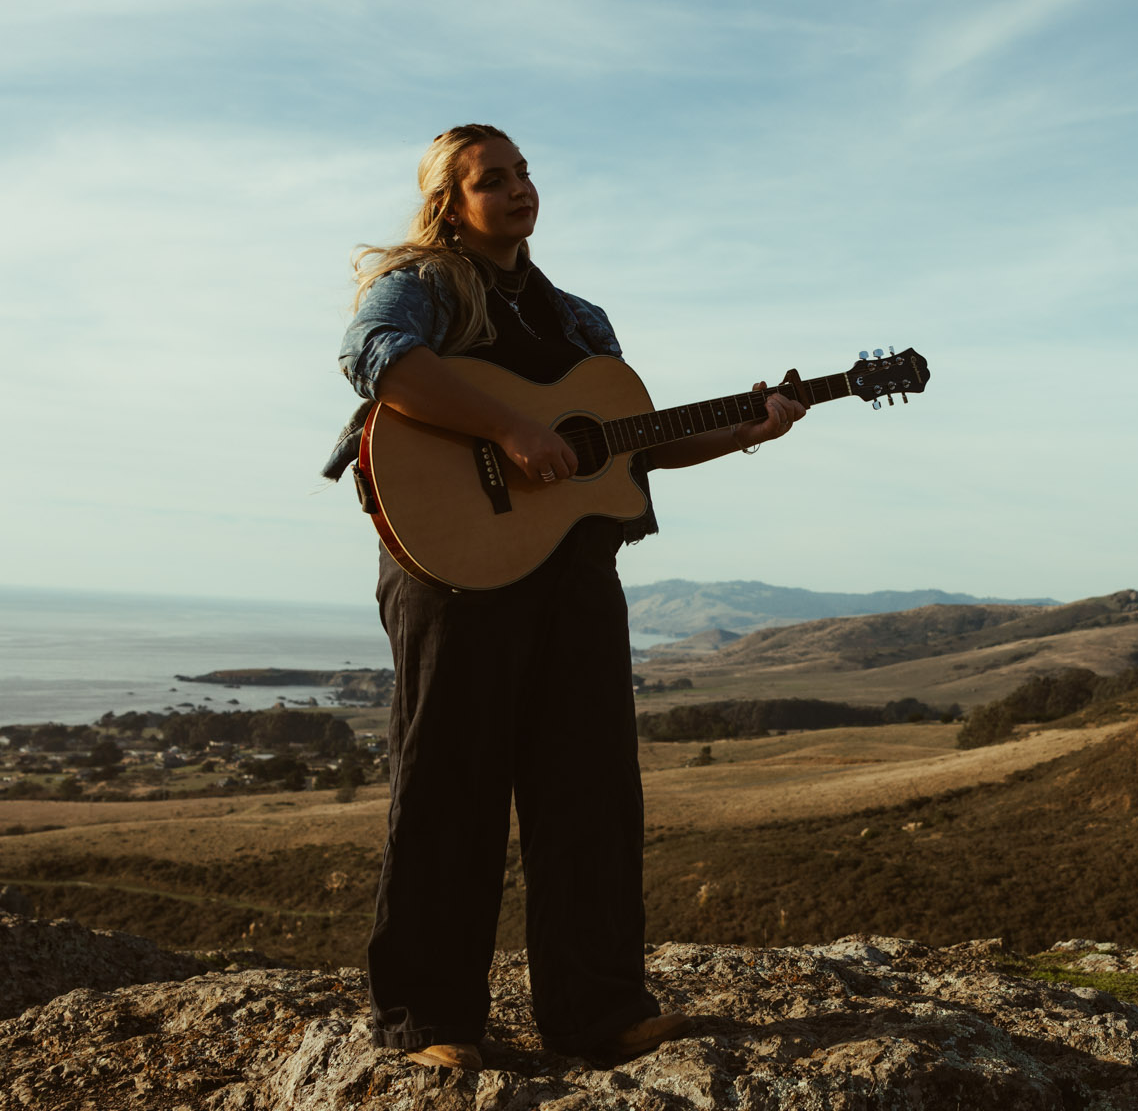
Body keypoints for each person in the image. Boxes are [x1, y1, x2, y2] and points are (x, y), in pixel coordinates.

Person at [321, 124, 806, 1069]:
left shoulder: (581, 321)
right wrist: (507, 429)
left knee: (589, 790)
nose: (516, 189)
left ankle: (599, 1013)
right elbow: (374, 357)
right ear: (448, 202)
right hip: (450, 566)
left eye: (524, 173)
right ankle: (432, 1024)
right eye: (490, 179)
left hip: (575, 571)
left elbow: (630, 444)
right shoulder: (422, 286)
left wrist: (750, 429)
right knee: (447, 787)